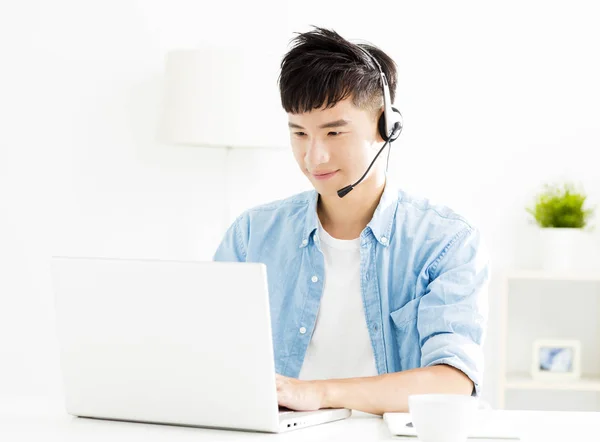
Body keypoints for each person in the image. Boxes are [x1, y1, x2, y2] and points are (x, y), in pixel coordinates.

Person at [213, 26, 490, 416]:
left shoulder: (445, 240)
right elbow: (211, 355)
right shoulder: (252, 235)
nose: (314, 157)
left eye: (334, 132)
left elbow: (452, 382)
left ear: (385, 126)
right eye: (299, 133)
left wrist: (318, 393)